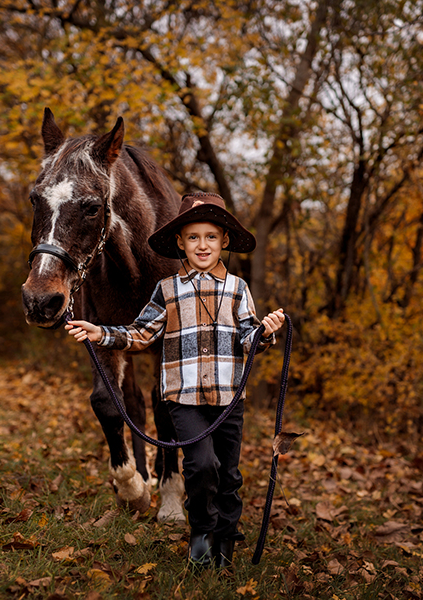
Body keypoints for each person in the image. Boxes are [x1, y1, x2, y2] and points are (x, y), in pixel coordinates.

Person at [66, 191, 285, 568]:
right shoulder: (167, 290)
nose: (203, 245)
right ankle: (201, 531)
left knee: (228, 474)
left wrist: (264, 331)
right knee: (201, 467)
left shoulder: (238, 290)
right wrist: (101, 333)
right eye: (194, 237)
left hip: (229, 399)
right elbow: (141, 333)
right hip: (183, 399)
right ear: (181, 243)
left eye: (211, 236)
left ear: (224, 241)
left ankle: (225, 543)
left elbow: (248, 340)